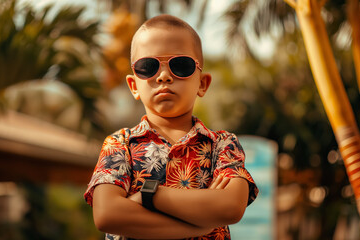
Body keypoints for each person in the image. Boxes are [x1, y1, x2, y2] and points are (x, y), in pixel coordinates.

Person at [84, 14, 258, 240]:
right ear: (133, 85)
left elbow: (231, 206)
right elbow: (107, 214)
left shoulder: (222, 144)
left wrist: (149, 195)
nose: (164, 76)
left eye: (181, 65)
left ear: (202, 83)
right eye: (148, 67)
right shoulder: (119, 144)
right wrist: (198, 224)